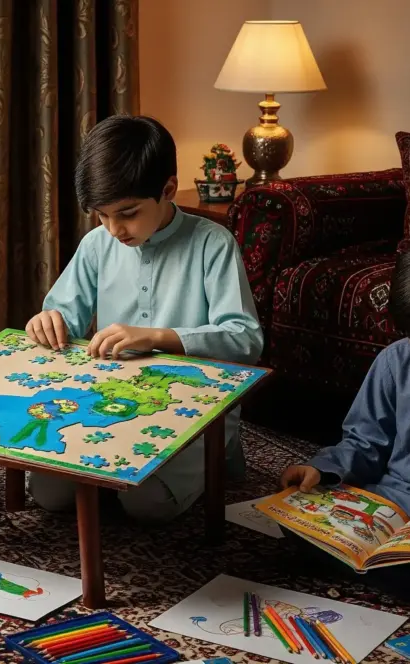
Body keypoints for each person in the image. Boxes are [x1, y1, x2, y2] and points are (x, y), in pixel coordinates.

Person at [25, 115, 263, 522]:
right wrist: (48, 321)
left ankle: (222, 449)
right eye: (102, 215)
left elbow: (245, 340)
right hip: (110, 400)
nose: (114, 229)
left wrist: (157, 337)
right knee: (48, 492)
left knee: (147, 502)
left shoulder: (212, 244)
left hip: (192, 403)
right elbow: (62, 313)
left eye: (127, 213)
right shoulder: (97, 244)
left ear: (168, 189)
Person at [279, 249, 410, 597]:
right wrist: (321, 470)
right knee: (296, 523)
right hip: (394, 504)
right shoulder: (396, 360)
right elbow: (365, 441)